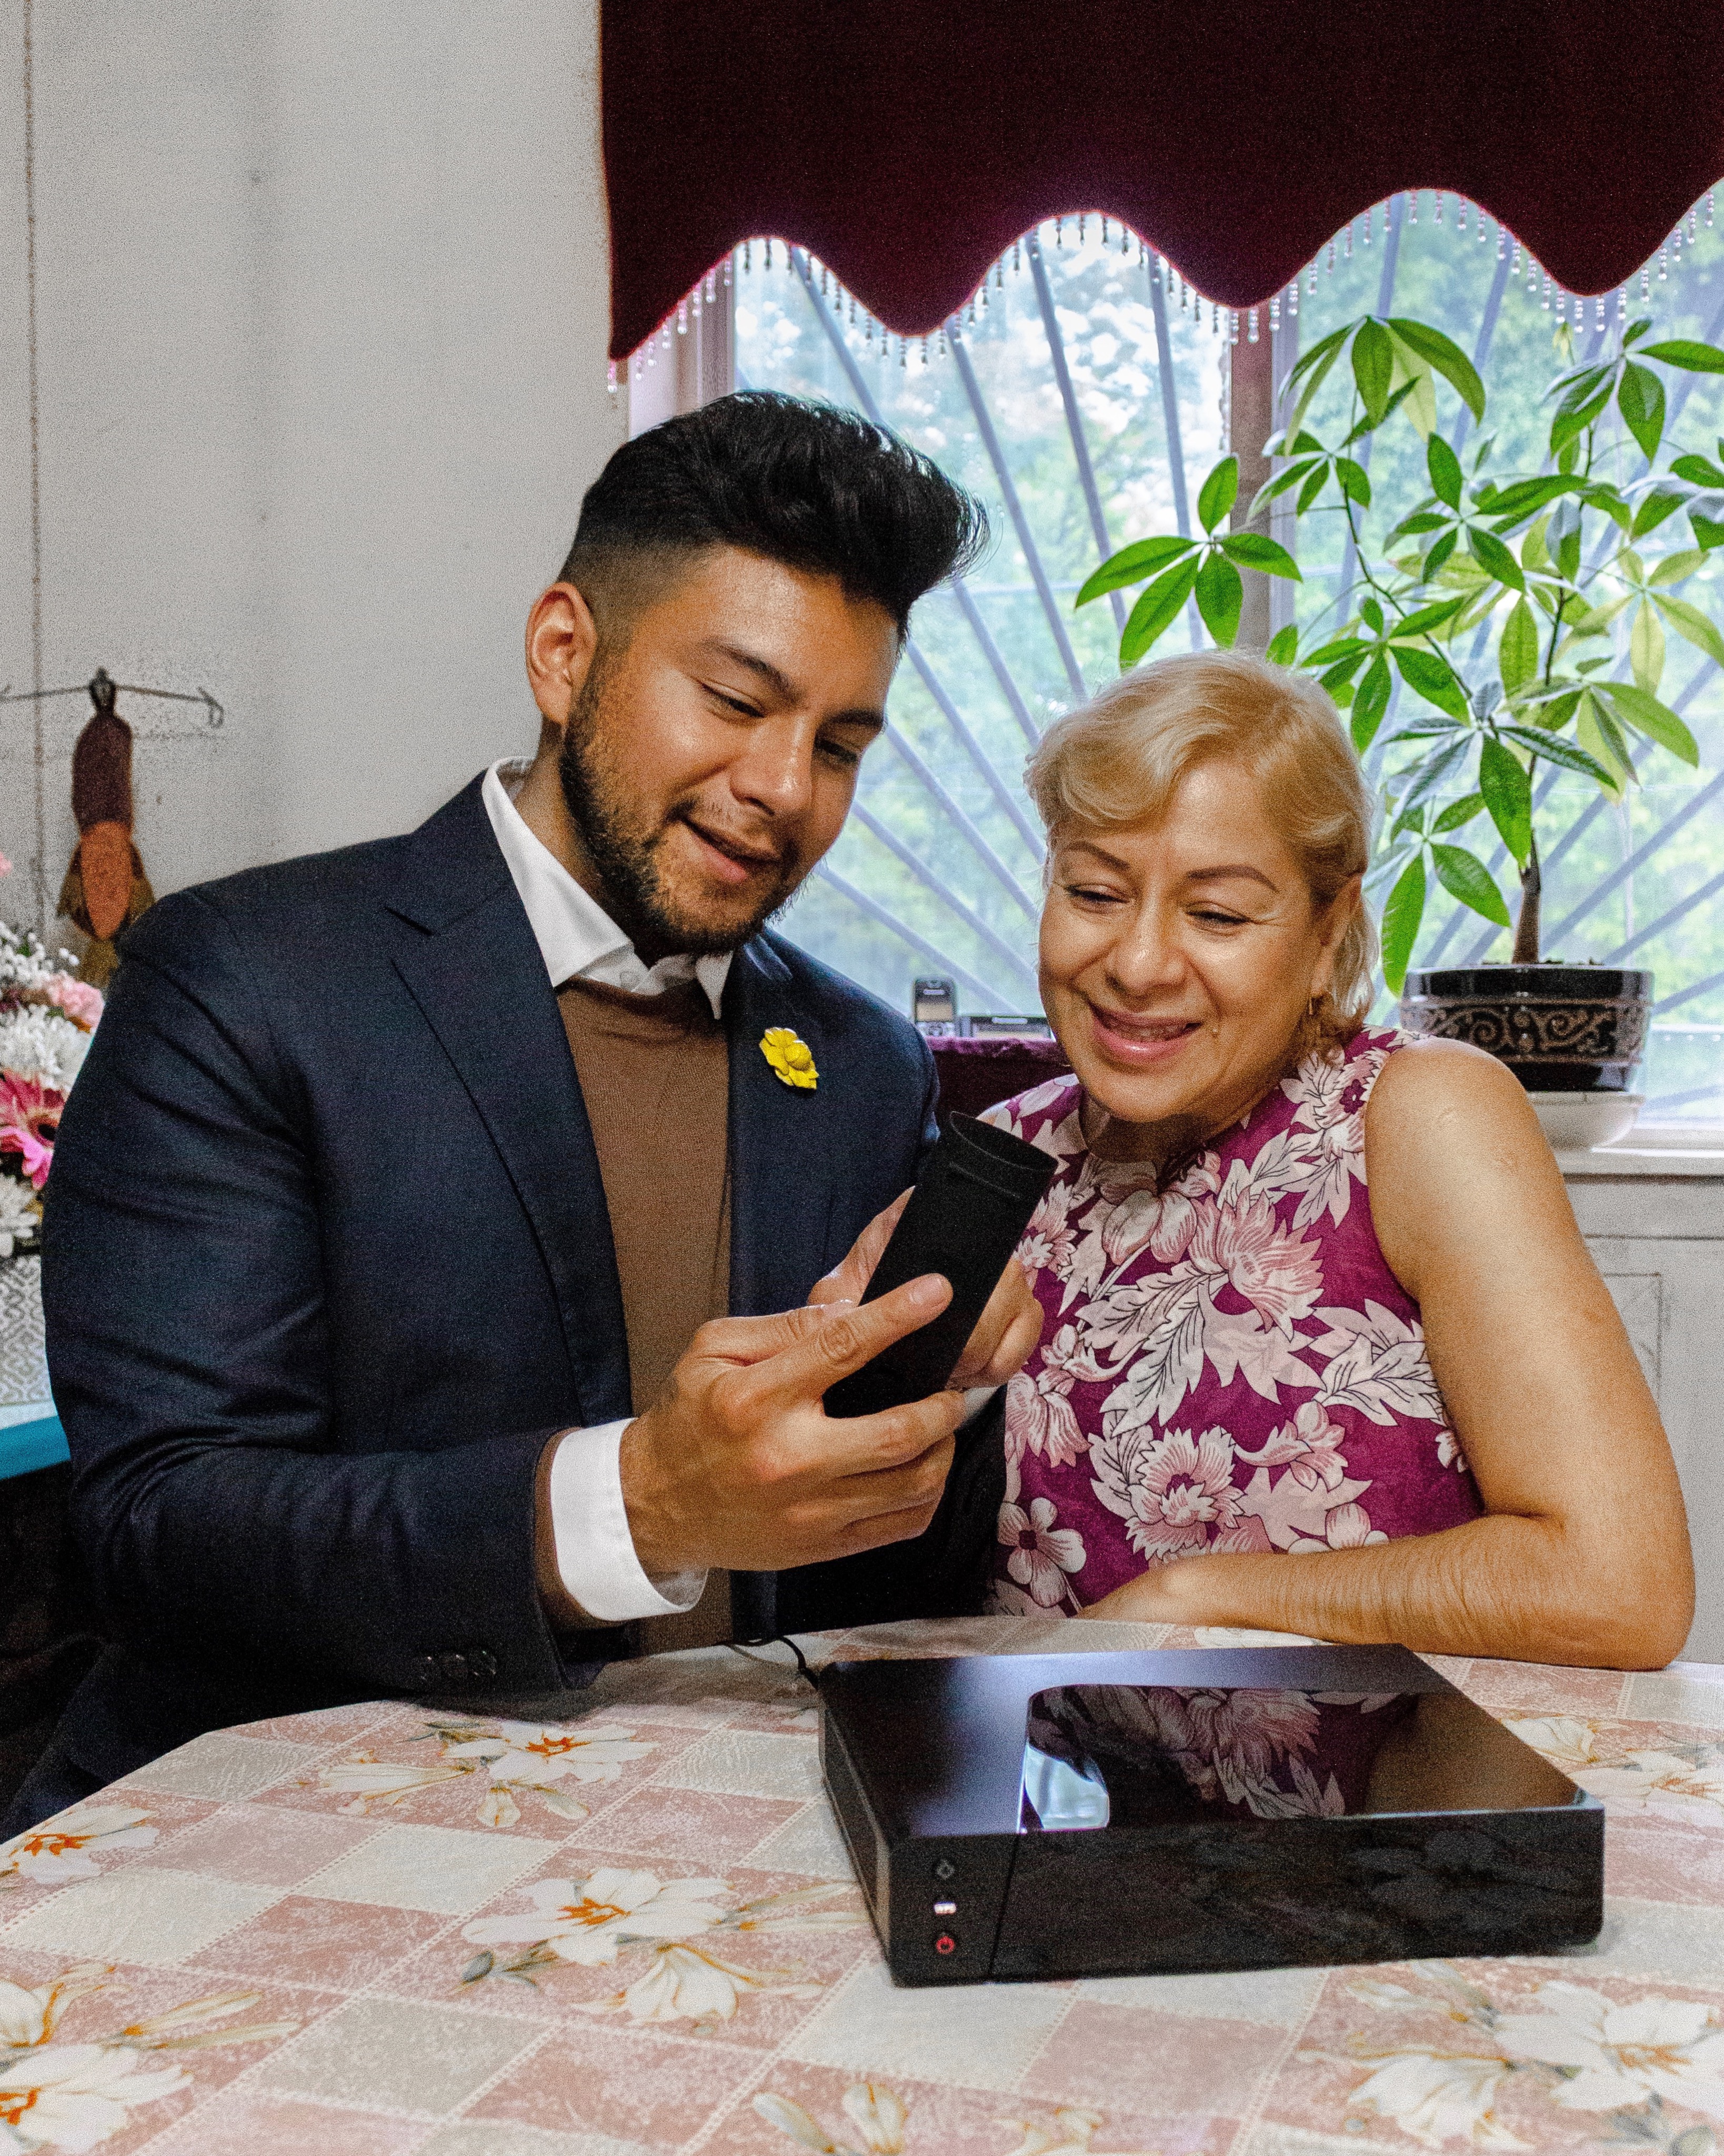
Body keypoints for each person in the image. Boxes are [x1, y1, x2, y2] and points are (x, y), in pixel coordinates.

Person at [6, 391, 1041, 1834]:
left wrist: (944, 1395)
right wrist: (642, 1502)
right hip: (291, 1850)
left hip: (727, 1862)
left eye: (842, 743)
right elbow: (162, 1533)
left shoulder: (861, 1062)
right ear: (565, 653)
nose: (780, 788)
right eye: (735, 702)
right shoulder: (245, 985)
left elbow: (881, 1589)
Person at [985, 650, 1692, 1670]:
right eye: (1094, 891)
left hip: (1376, 1810)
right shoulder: (1003, 1154)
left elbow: (1618, 1587)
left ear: (1328, 931)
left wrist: (1205, 1597)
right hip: (1060, 1809)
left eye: (1218, 913)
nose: (1136, 964)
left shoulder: (1416, 1118)